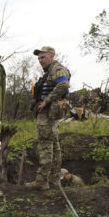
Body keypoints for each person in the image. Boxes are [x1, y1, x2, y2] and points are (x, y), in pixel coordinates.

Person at [26, 46, 71, 190]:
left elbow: (64, 84)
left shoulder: (57, 69)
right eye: (38, 58)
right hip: (48, 113)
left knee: (46, 146)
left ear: (51, 56)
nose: (40, 60)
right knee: (54, 146)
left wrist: (46, 101)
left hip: (49, 113)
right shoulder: (49, 72)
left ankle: (42, 181)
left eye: (43, 57)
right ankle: (53, 179)